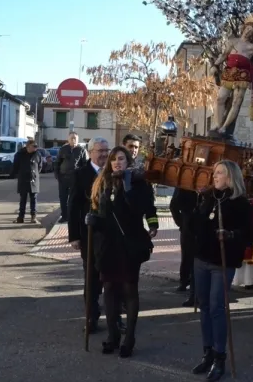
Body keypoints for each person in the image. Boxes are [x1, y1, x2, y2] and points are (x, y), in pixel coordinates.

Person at [86, 146, 157, 358]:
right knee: (109, 288)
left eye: (121, 159)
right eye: (113, 159)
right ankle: (113, 336)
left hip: (129, 244)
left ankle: (129, 338)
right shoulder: (102, 182)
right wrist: (92, 220)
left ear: (128, 162)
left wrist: (127, 187)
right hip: (107, 245)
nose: (117, 162)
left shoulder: (139, 183)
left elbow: (144, 209)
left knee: (129, 289)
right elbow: (100, 211)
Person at [190, 160, 253, 381]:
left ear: (230, 177)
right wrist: (198, 206)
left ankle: (220, 357)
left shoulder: (241, 203)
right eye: (214, 172)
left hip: (222, 262)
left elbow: (249, 235)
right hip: (202, 258)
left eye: (219, 173)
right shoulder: (209, 197)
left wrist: (230, 235)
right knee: (204, 306)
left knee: (217, 308)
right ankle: (207, 352)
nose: (215, 176)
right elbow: (195, 225)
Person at [68, 137, 110, 333]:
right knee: (91, 278)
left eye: (106, 151)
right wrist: (74, 235)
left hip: (110, 235)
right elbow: (73, 206)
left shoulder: (112, 172)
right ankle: (91, 316)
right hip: (89, 235)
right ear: (91, 152)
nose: (104, 155)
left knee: (112, 277)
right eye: (100, 151)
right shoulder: (80, 174)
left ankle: (114, 317)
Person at [171, 187, 199, 306]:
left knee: (195, 258)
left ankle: (193, 290)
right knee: (189, 257)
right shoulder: (184, 185)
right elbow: (173, 205)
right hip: (188, 224)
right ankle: (186, 283)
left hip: (198, 224)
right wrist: (181, 222)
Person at [54, 132, 88, 223]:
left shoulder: (81, 150)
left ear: (78, 139)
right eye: (71, 138)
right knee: (63, 198)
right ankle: (64, 216)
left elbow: (85, 164)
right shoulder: (63, 149)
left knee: (74, 198)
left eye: (75, 138)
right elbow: (57, 162)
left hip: (75, 179)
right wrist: (57, 175)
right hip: (63, 178)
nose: (73, 140)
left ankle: (74, 216)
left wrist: (81, 177)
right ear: (68, 139)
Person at [12, 140, 43, 224]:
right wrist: (20, 174)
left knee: (34, 198)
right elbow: (15, 166)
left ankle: (33, 217)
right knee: (23, 199)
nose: (36, 148)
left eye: (36, 146)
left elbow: (40, 167)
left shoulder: (37, 154)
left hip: (33, 179)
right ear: (28, 146)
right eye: (34, 146)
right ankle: (20, 217)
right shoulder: (19, 154)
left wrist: (34, 174)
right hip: (23, 179)